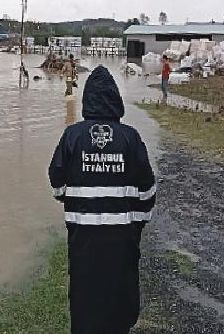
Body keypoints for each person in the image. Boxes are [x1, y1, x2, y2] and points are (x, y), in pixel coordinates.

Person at [48, 65, 156, 334]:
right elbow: (147, 189)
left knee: (85, 295)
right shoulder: (130, 137)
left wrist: (76, 206)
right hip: (122, 238)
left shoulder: (72, 136)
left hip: (82, 237)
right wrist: (136, 225)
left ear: (87, 100)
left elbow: (57, 182)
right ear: (115, 99)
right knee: (120, 295)